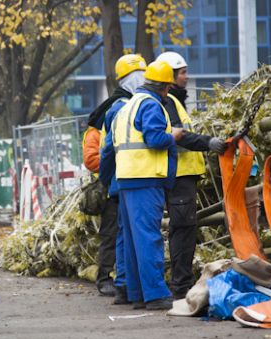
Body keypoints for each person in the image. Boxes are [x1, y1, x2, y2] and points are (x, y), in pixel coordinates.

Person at [107, 60, 184, 311]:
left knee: (132, 241)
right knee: (149, 239)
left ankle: (137, 293)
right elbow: (154, 139)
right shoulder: (150, 105)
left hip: (127, 179)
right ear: (164, 88)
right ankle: (155, 294)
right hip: (146, 178)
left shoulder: (128, 106)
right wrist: (173, 136)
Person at [155, 52, 227, 299]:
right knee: (183, 230)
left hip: (183, 175)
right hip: (180, 175)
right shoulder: (169, 102)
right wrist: (209, 142)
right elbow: (179, 137)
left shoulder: (173, 101)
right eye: (182, 72)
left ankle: (180, 283)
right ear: (170, 76)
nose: (187, 77)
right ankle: (181, 286)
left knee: (183, 229)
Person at [83, 54, 147, 297]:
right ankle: (104, 278)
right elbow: (92, 158)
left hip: (125, 178)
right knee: (111, 233)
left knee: (120, 232)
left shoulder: (130, 104)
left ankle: (122, 278)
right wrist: (119, 161)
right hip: (114, 182)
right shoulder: (112, 111)